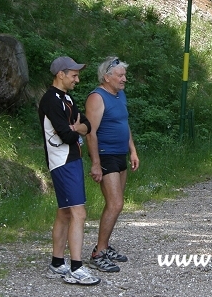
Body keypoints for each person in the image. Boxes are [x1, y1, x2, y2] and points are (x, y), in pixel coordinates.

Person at [38, 56, 101, 286]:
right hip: (62, 161)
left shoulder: (66, 98)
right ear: (60, 74)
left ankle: (57, 262)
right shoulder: (50, 100)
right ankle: (76, 268)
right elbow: (67, 134)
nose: (77, 79)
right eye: (74, 74)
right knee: (78, 213)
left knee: (65, 212)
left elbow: (87, 124)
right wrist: (76, 130)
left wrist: (78, 128)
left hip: (71, 159)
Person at [85, 57, 139, 273]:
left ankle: (105, 247)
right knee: (115, 203)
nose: (124, 79)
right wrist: (96, 164)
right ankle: (98, 253)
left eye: (124, 75)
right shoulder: (97, 98)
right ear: (106, 77)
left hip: (120, 155)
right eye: (120, 75)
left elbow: (124, 124)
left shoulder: (120, 95)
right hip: (106, 155)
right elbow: (91, 133)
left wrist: (132, 150)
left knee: (116, 204)